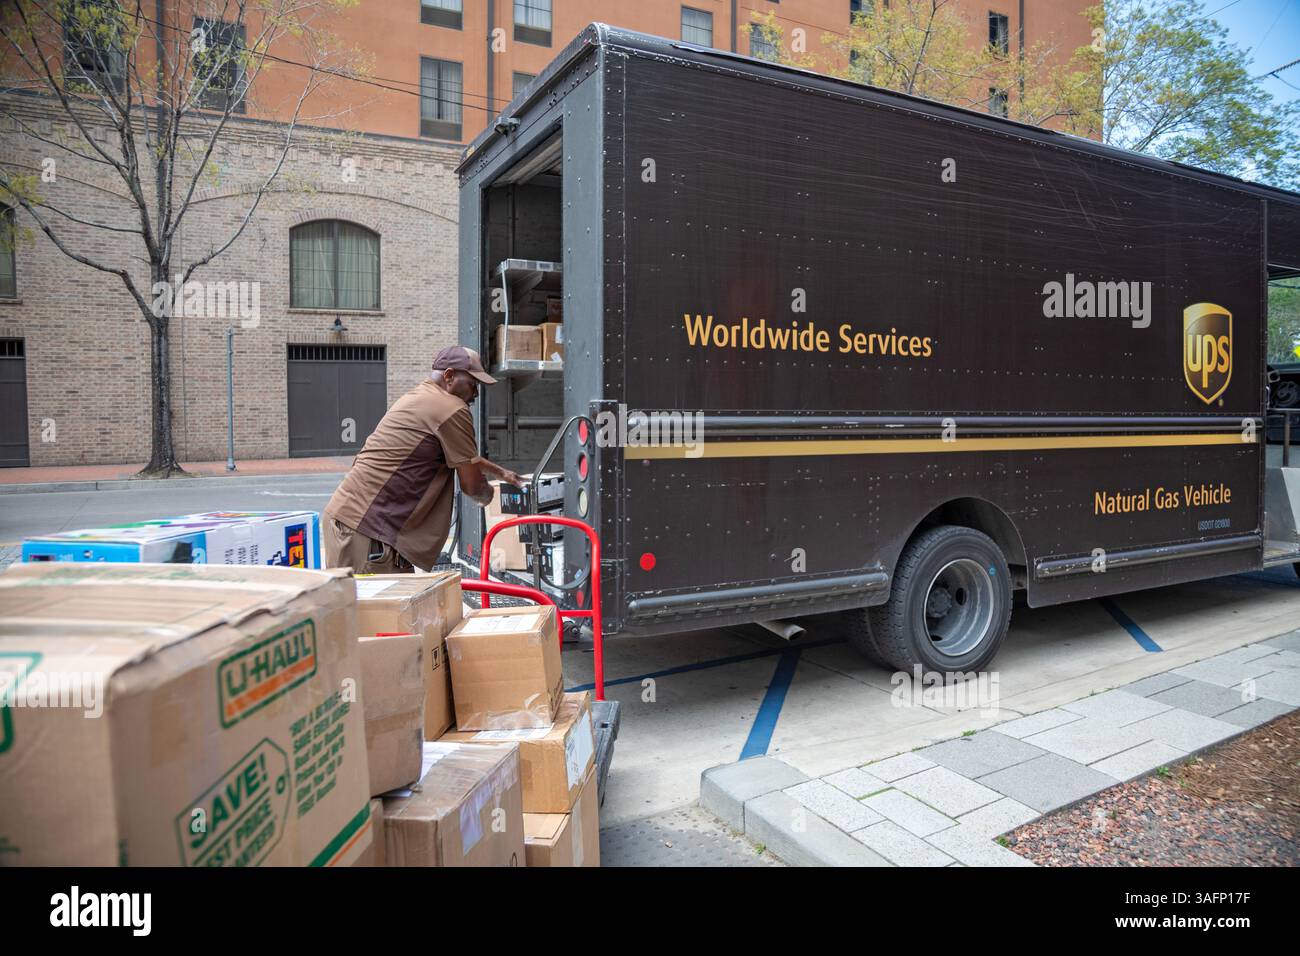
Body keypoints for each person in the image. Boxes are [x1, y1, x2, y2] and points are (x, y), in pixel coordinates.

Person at [323, 345, 524, 573]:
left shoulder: (423, 396)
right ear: (449, 376)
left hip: (353, 523)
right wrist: (498, 498)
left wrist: (501, 473)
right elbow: (472, 485)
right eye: (472, 384)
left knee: (390, 605)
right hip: (366, 532)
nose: (476, 394)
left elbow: (464, 457)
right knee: (375, 608)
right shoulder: (452, 408)